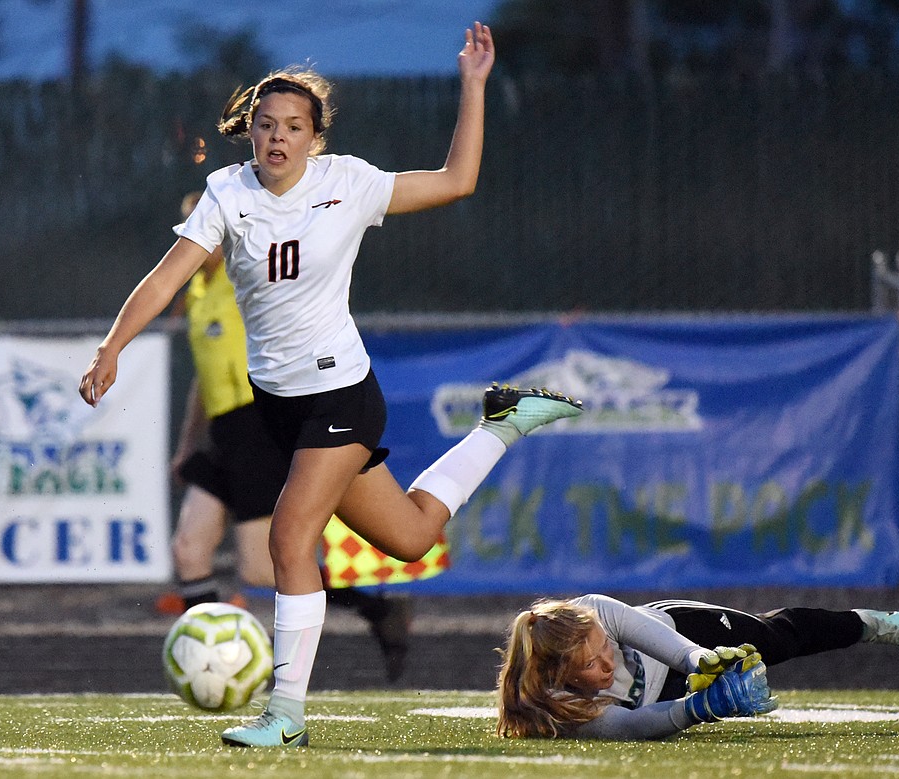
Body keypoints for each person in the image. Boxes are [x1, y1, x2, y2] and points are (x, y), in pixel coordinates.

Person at [80, 22, 583, 748]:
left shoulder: (346, 183)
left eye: (293, 126)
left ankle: (285, 714)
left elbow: (456, 181)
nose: (277, 138)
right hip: (278, 406)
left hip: (340, 393)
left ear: (315, 138)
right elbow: (166, 276)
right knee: (409, 537)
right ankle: (503, 422)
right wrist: (111, 345)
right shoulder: (226, 192)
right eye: (264, 125)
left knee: (289, 535)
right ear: (247, 132)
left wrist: (472, 86)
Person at [158, 190, 422, 683]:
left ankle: (377, 608)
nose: (199, 236)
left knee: (261, 569)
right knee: (188, 551)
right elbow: (204, 375)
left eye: (207, 225)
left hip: (258, 424)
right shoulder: (195, 293)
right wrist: (187, 444)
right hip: (222, 432)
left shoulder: (245, 276)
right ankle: (209, 666)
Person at [496, 593, 899, 741]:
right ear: (560, 675)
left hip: (678, 635)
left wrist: (704, 661)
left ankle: (873, 624)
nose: (607, 662)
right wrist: (701, 708)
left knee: (774, 638)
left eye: (603, 648)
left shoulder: (595, 610)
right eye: (592, 665)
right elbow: (629, 726)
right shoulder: (553, 705)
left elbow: (677, 649)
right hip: (663, 697)